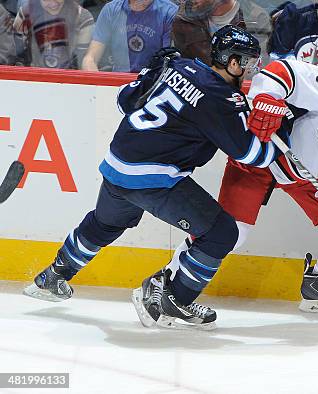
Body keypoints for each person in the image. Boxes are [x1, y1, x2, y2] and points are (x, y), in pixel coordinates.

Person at [23, 26, 276, 330]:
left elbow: (123, 101)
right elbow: (252, 155)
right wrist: (278, 129)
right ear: (232, 62)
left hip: (117, 166)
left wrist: (148, 74)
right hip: (153, 178)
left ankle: (53, 275)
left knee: (107, 223)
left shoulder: (177, 66)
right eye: (248, 63)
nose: (250, 70)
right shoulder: (220, 98)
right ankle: (175, 300)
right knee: (222, 233)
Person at [172, 56, 318, 314]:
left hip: (303, 175)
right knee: (232, 234)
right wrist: (268, 98)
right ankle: (167, 285)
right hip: (265, 154)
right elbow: (283, 71)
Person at [171, 0, 271, 72]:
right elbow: (179, 61)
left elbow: (257, 68)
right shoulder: (184, 16)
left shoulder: (255, 18)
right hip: (197, 87)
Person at [81, 0, 178, 72]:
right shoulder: (110, 10)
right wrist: (99, 86)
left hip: (152, 85)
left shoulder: (169, 13)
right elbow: (90, 59)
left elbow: (169, 64)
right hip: (117, 84)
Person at [12, 0, 94, 69]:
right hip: (33, 76)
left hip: (69, 79)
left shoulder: (83, 18)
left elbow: (81, 62)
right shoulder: (26, 13)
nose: (53, 2)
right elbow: (17, 55)